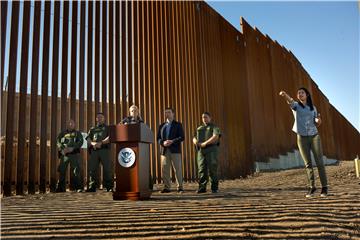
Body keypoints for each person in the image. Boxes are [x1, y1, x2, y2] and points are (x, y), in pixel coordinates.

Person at [279, 87, 328, 197]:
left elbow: (317, 122)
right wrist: (285, 94)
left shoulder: (313, 108)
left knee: (319, 162)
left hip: (314, 136)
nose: (300, 94)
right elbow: (290, 101)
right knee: (308, 164)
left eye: (302, 93)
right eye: (298, 93)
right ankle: (312, 187)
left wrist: (318, 120)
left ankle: (324, 187)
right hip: (301, 137)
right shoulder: (296, 106)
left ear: (307, 95)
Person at [157, 108, 185, 193]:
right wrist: (162, 143)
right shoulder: (162, 126)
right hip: (164, 151)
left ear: (173, 114)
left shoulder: (178, 124)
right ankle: (167, 187)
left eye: (169, 112)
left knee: (178, 169)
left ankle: (180, 187)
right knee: (165, 169)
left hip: (175, 150)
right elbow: (158, 138)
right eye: (165, 112)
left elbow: (182, 137)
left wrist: (172, 141)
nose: (167, 114)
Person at [193, 112, 221, 194]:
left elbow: (215, 136)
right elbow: (194, 137)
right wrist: (195, 142)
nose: (204, 119)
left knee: (212, 169)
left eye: (206, 117)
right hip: (201, 151)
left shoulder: (214, 127)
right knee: (201, 169)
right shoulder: (199, 128)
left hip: (211, 150)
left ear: (210, 118)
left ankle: (214, 188)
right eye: (203, 117)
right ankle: (202, 188)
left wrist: (205, 143)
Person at [86, 112, 114, 192]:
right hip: (94, 151)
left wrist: (101, 143)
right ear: (96, 119)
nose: (99, 118)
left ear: (104, 118)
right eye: (98, 117)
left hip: (104, 150)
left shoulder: (107, 128)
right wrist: (92, 143)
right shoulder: (92, 129)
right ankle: (92, 187)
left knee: (107, 169)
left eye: (101, 117)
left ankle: (109, 187)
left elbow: (110, 137)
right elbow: (88, 139)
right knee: (92, 169)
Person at [55, 119, 84, 192]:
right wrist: (62, 149)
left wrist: (73, 148)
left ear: (74, 125)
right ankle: (61, 188)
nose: (70, 124)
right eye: (69, 123)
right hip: (65, 155)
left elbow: (81, 142)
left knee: (76, 171)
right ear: (67, 124)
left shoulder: (78, 133)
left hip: (74, 154)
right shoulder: (62, 133)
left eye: (72, 123)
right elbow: (58, 141)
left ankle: (78, 188)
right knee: (62, 171)